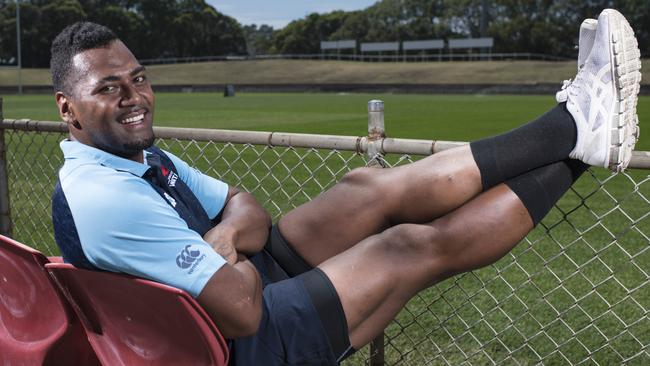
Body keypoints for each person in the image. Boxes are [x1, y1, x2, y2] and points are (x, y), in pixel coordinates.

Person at [50, 9, 641, 365]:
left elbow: (245, 209)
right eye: (108, 88)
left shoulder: (135, 156)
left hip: (229, 293)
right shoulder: (104, 195)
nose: (134, 98)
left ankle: (582, 126)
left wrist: (227, 237)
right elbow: (242, 311)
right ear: (67, 109)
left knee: (366, 186)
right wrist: (234, 253)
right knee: (403, 246)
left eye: (139, 78)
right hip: (236, 346)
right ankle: (578, 133)